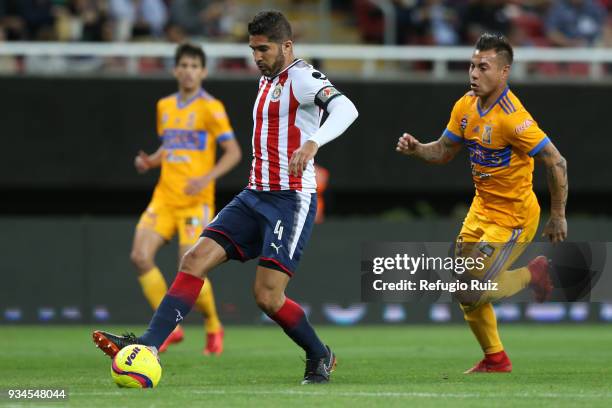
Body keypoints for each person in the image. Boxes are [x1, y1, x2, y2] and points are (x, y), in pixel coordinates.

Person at [93, 10, 358, 385]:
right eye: (252, 49)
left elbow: (348, 108)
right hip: (254, 195)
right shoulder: (267, 79)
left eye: (263, 49)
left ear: (287, 45)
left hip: (290, 199)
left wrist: (314, 142)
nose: (256, 56)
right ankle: (149, 345)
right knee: (193, 259)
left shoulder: (303, 77)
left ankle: (319, 354)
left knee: (267, 297)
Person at [396, 32, 568, 373]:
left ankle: (532, 274)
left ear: (504, 72)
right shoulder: (465, 106)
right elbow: (444, 151)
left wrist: (558, 214)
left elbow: (556, 160)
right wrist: (418, 150)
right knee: (463, 287)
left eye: (483, 67)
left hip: (514, 217)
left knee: (468, 289)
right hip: (482, 209)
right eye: (472, 65)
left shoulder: (513, 118)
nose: (473, 74)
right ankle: (495, 359)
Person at [129, 42, 241, 356]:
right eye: (184, 65)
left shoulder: (211, 107)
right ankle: (171, 328)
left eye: (195, 66)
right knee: (139, 256)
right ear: (175, 70)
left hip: (196, 201)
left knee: (190, 267)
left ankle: (213, 324)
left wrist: (207, 177)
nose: (189, 71)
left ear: (203, 72)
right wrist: (151, 161)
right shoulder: (164, 105)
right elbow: (171, 145)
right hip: (164, 196)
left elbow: (233, 152)